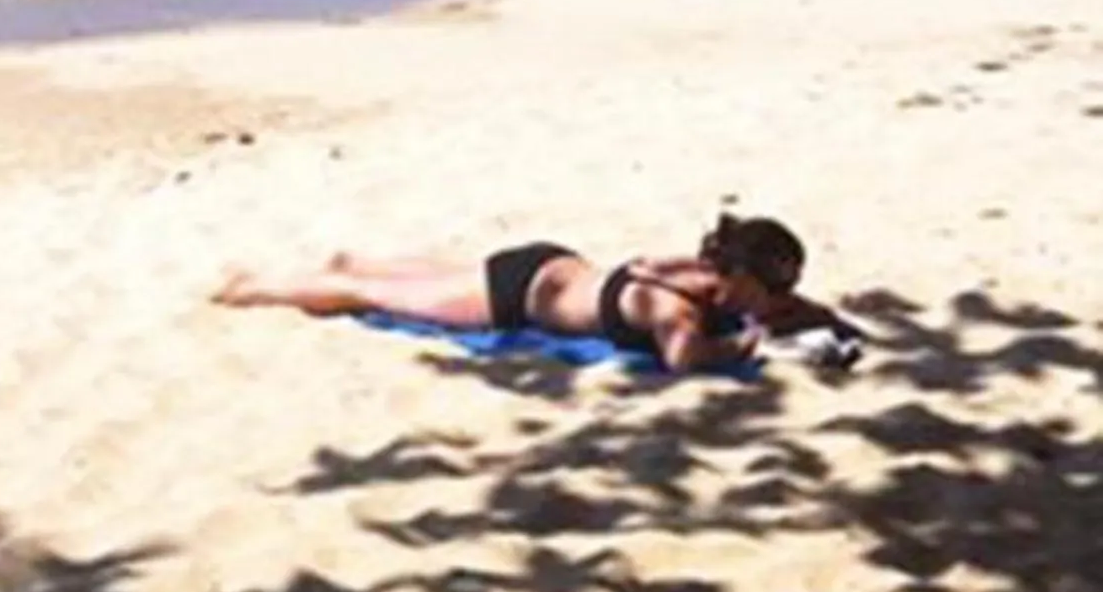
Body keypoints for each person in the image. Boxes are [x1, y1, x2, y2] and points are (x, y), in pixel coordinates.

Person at [212, 211, 847, 375]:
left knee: (434, 274)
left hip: (551, 263)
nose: (778, 300)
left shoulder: (693, 267)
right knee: (371, 297)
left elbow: (761, 302)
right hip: (517, 299)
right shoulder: (674, 309)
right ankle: (252, 291)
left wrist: (808, 313)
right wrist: (744, 345)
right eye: (772, 289)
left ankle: (360, 258)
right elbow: (686, 358)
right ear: (741, 280)